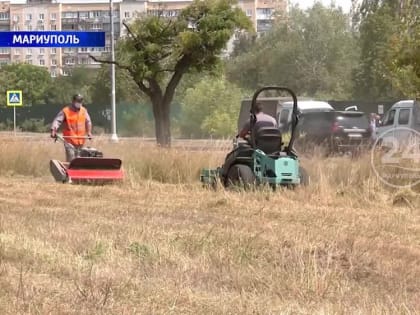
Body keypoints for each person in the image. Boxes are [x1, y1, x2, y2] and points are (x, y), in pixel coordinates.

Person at [50, 94, 93, 162]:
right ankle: (69, 171)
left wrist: (89, 132)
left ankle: (79, 172)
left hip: (81, 140)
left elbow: (88, 122)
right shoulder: (66, 111)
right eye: (77, 101)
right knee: (71, 158)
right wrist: (53, 131)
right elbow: (57, 121)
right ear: (73, 101)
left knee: (80, 159)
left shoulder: (84, 111)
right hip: (69, 140)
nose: (79, 103)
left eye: (80, 101)